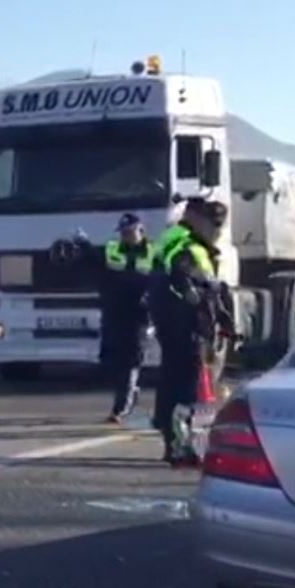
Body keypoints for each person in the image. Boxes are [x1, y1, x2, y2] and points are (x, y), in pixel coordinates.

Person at [149, 199, 229, 466]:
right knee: (185, 387)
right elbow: (184, 278)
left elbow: (210, 290)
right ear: (196, 219)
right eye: (213, 223)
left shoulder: (179, 240)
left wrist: (224, 320)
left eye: (220, 225)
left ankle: (174, 443)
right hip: (186, 326)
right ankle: (180, 446)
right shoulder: (186, 245)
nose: (217, 230)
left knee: (174, 381)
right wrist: (191, 295)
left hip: (178, 324)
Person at [99, 213, 157, 422]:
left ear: (141, 230)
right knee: (113, 360)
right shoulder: (113, 249)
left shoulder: (154, 252)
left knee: (131, 359)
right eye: (123, 233)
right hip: (116, 312)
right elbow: (99, 268)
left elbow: (160, 279)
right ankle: (128, 397)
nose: (126, 236)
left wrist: (151, 299)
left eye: (129, 232)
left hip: (140, 314)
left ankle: (121, 407)